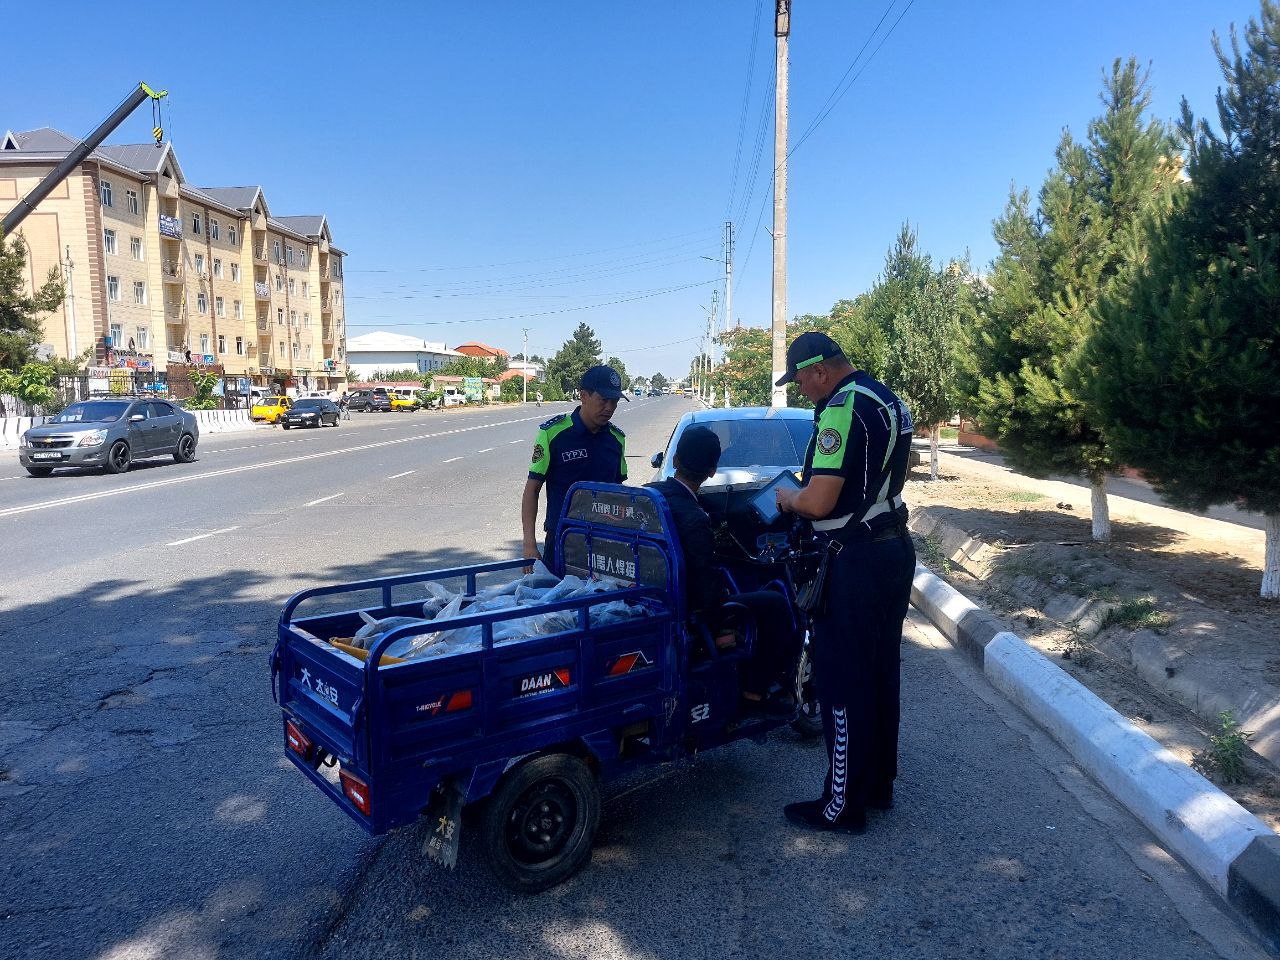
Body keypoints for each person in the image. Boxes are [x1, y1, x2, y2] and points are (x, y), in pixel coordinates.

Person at [774, 331, 916, 835]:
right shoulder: (887, 399)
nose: (801, 392)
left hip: (855, 559)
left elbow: (819, 501)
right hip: (894, 547)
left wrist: (790, 498)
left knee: (839, 680)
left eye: (801, 381)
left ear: (820, 371)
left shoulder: (840, 407)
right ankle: (878, 786)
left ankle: (841, 805)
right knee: (879, 672)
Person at [647, 426, 800, 716]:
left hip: (657, 597)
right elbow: (706, 591)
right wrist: (720, 622)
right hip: (690, 611)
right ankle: (754, 694)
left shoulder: (650, 496)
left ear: (676, 460)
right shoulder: (694, 519)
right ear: (714, 470)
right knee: (776, 604)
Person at [522, 365, 628, 572]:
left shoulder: (617, 439)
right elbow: (532, 489)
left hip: (605, 539)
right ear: (583, 396)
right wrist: (529, 543)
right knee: (560, 600)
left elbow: (620, 493)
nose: (609, 408)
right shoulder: (553, 433)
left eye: (614, 402)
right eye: (603, 400)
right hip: (563, 538)